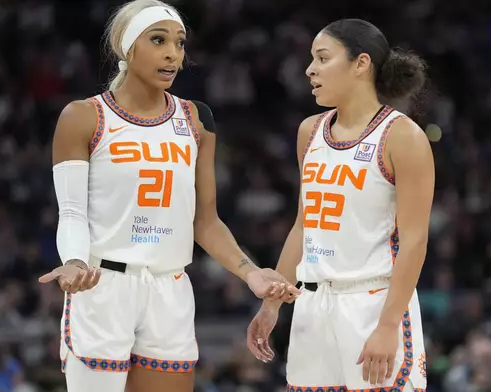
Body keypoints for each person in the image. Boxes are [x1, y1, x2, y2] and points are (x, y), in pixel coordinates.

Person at [36, 1, 299, 391]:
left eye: (179, 43)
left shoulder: (196, 119)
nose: (173, 54)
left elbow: (205, 221)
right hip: (103, 284)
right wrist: (73, 261)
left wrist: (250, 272)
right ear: (128, 47)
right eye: (158, 40)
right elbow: (71, 212)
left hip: (169, 288)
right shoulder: (83, 116)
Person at [246, 19, 434, 392]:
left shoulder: (403, 136)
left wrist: (387, 325)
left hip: (373, 302)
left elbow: (414, 241)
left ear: (361, 64)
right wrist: (271, 305)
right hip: (312, 306)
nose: (309, 69)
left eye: (322, 58)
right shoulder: (309, 131)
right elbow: (304, 225)